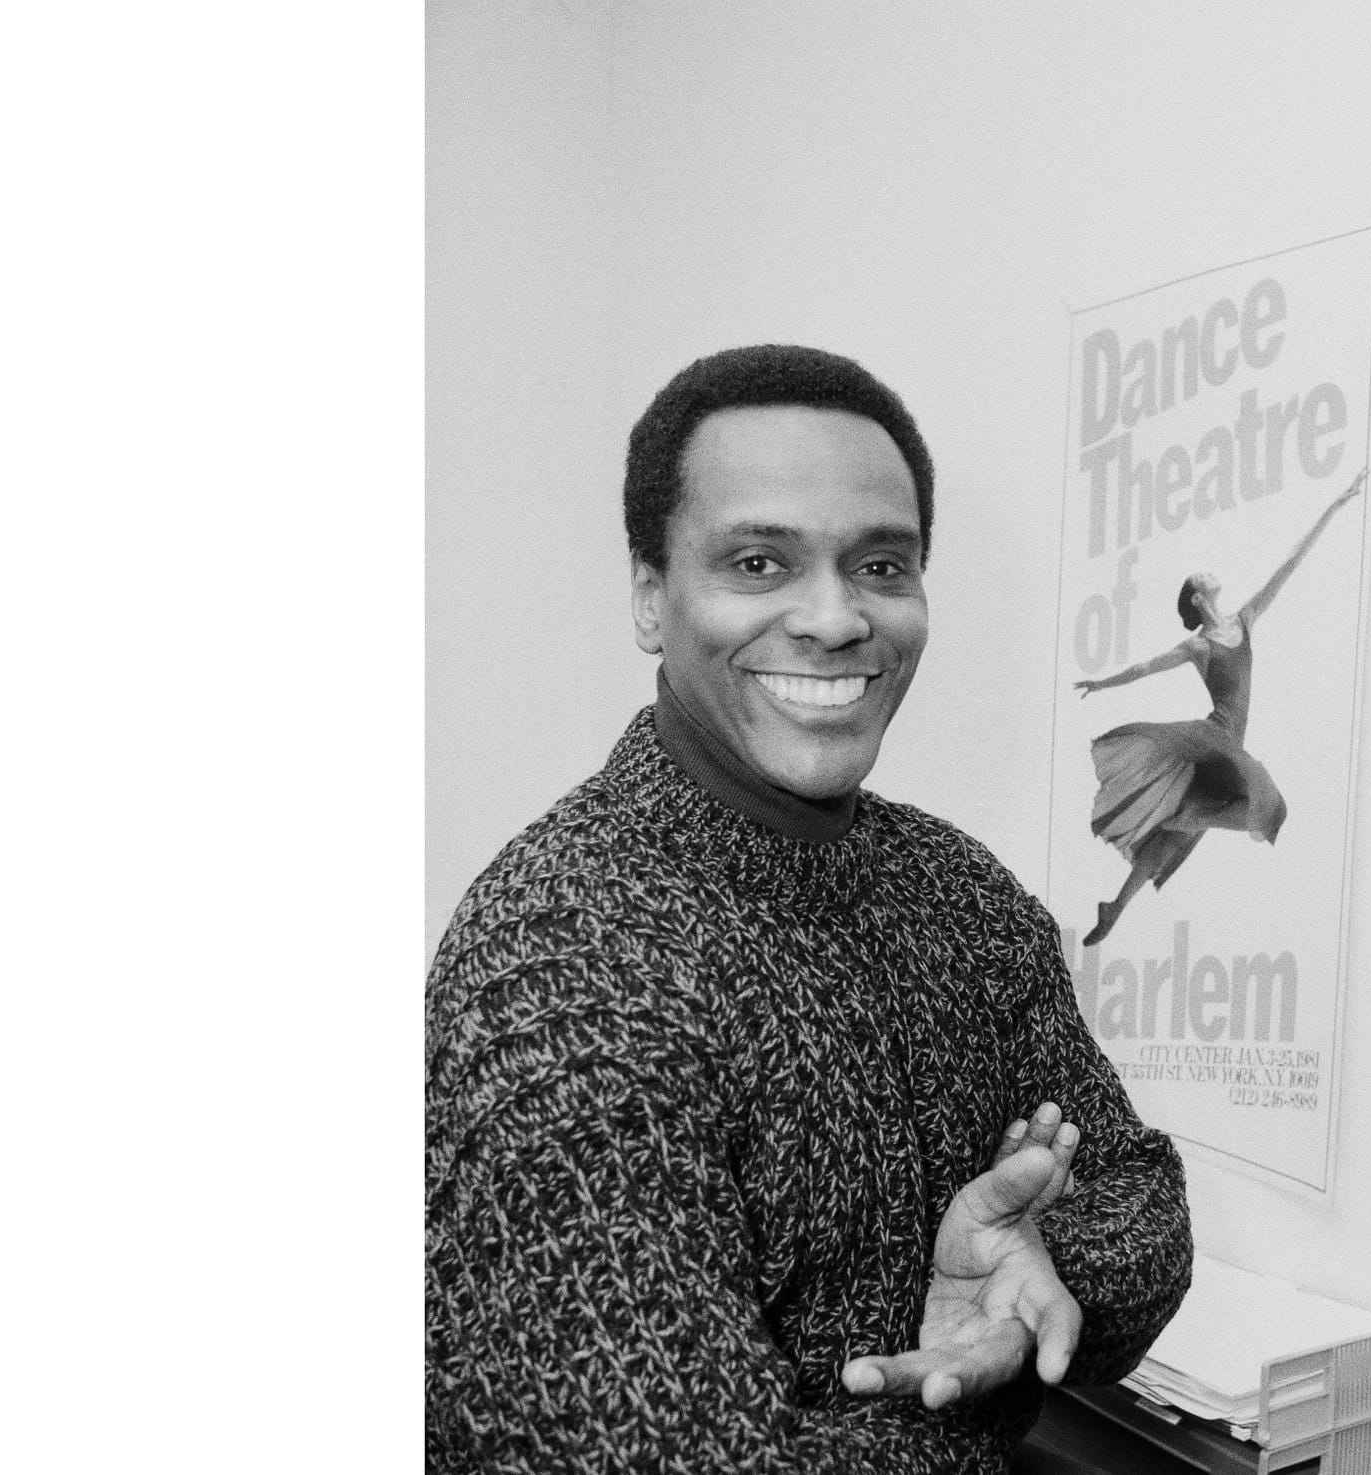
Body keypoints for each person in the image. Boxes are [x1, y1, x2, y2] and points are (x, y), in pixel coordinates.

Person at [425, 344, 1192, 1473]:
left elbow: (1139, 1195)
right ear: (650, 595)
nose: (834, 618)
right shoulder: (557, 959)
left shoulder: (962, 896)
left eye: (880, 564)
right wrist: (959, 1397)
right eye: (756, 561)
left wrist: (1036, 1270)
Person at [1073, 471, 1366, 946]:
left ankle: (1115, 906)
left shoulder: (1245, 619)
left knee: (1180, 835)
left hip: (1228, 747)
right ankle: (1187, 821)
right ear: (1197, 595)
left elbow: (1288, 565)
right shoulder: (1199, 646)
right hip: (1212, 738)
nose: (1212, 571)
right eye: (1203, 575)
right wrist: (1101, 683)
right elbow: (1146, 667)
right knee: (1268, 806)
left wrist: (1335, 505)